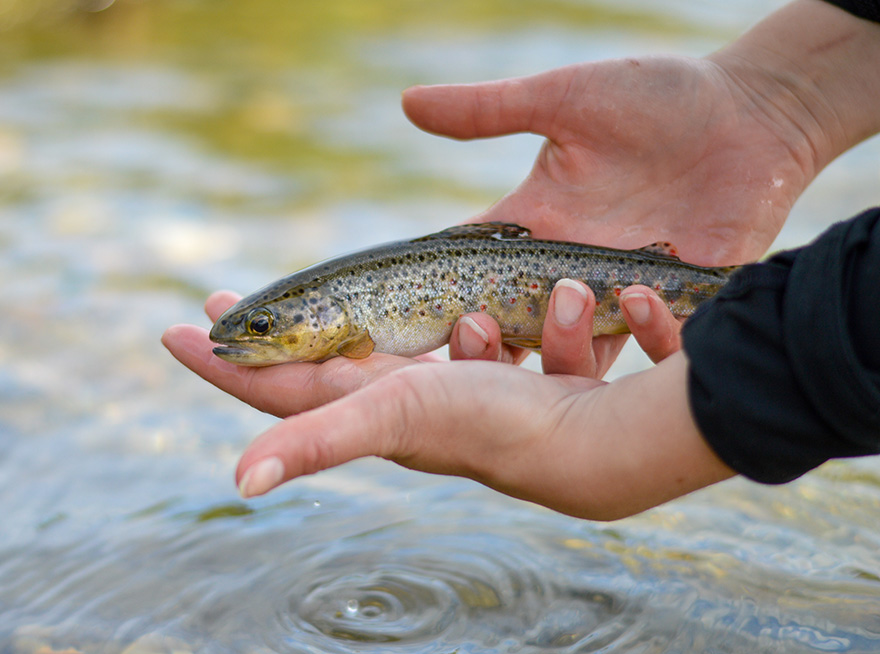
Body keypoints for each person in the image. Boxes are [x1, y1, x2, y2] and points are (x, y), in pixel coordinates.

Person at [162, 0, 880, 520]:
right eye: (260, 329)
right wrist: (774, 99)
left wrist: (777, 351)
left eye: (261, 328)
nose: (249, 337)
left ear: (322, 320)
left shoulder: (347, 324)